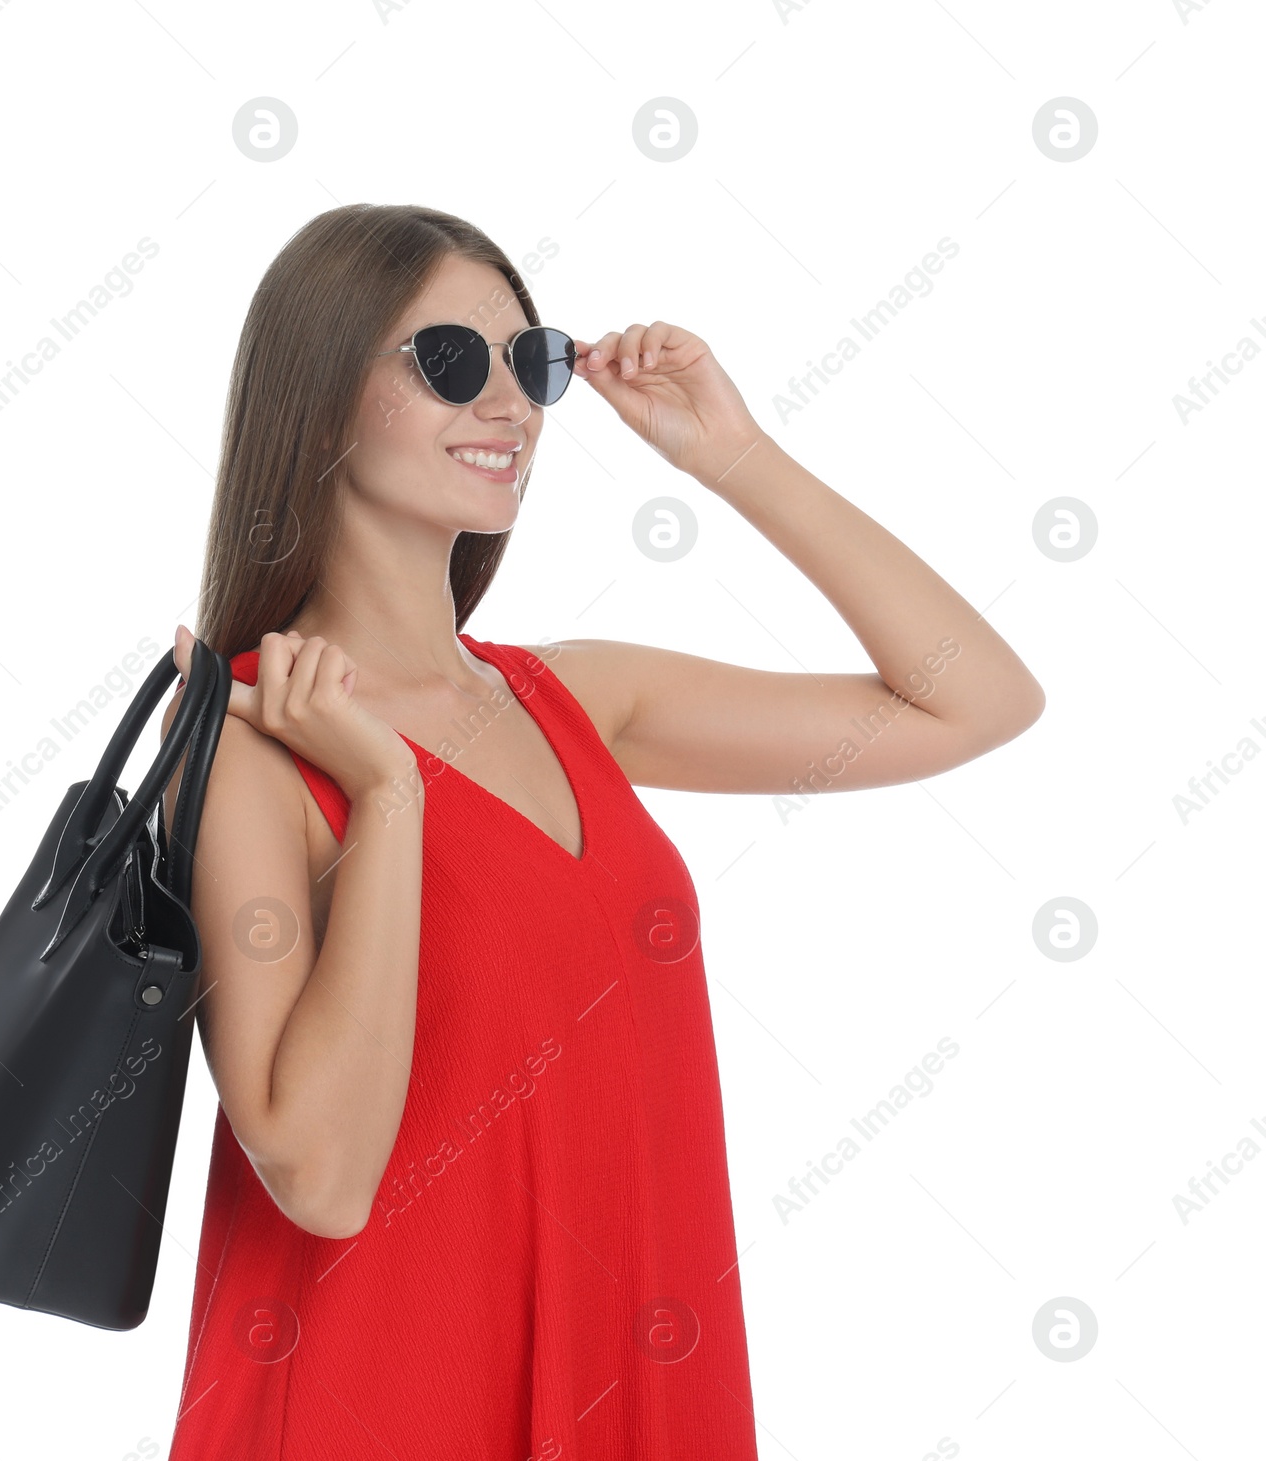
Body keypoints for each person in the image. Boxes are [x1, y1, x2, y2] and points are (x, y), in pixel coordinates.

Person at [157, 203, 1045, 1459]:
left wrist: (733, 455)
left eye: (532, 364)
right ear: (319, 396)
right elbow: (321, 1175)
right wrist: (391, 799)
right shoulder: (254, 742)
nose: (509, 405)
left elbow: (975, 698)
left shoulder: (577, 698)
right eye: (449, 364)